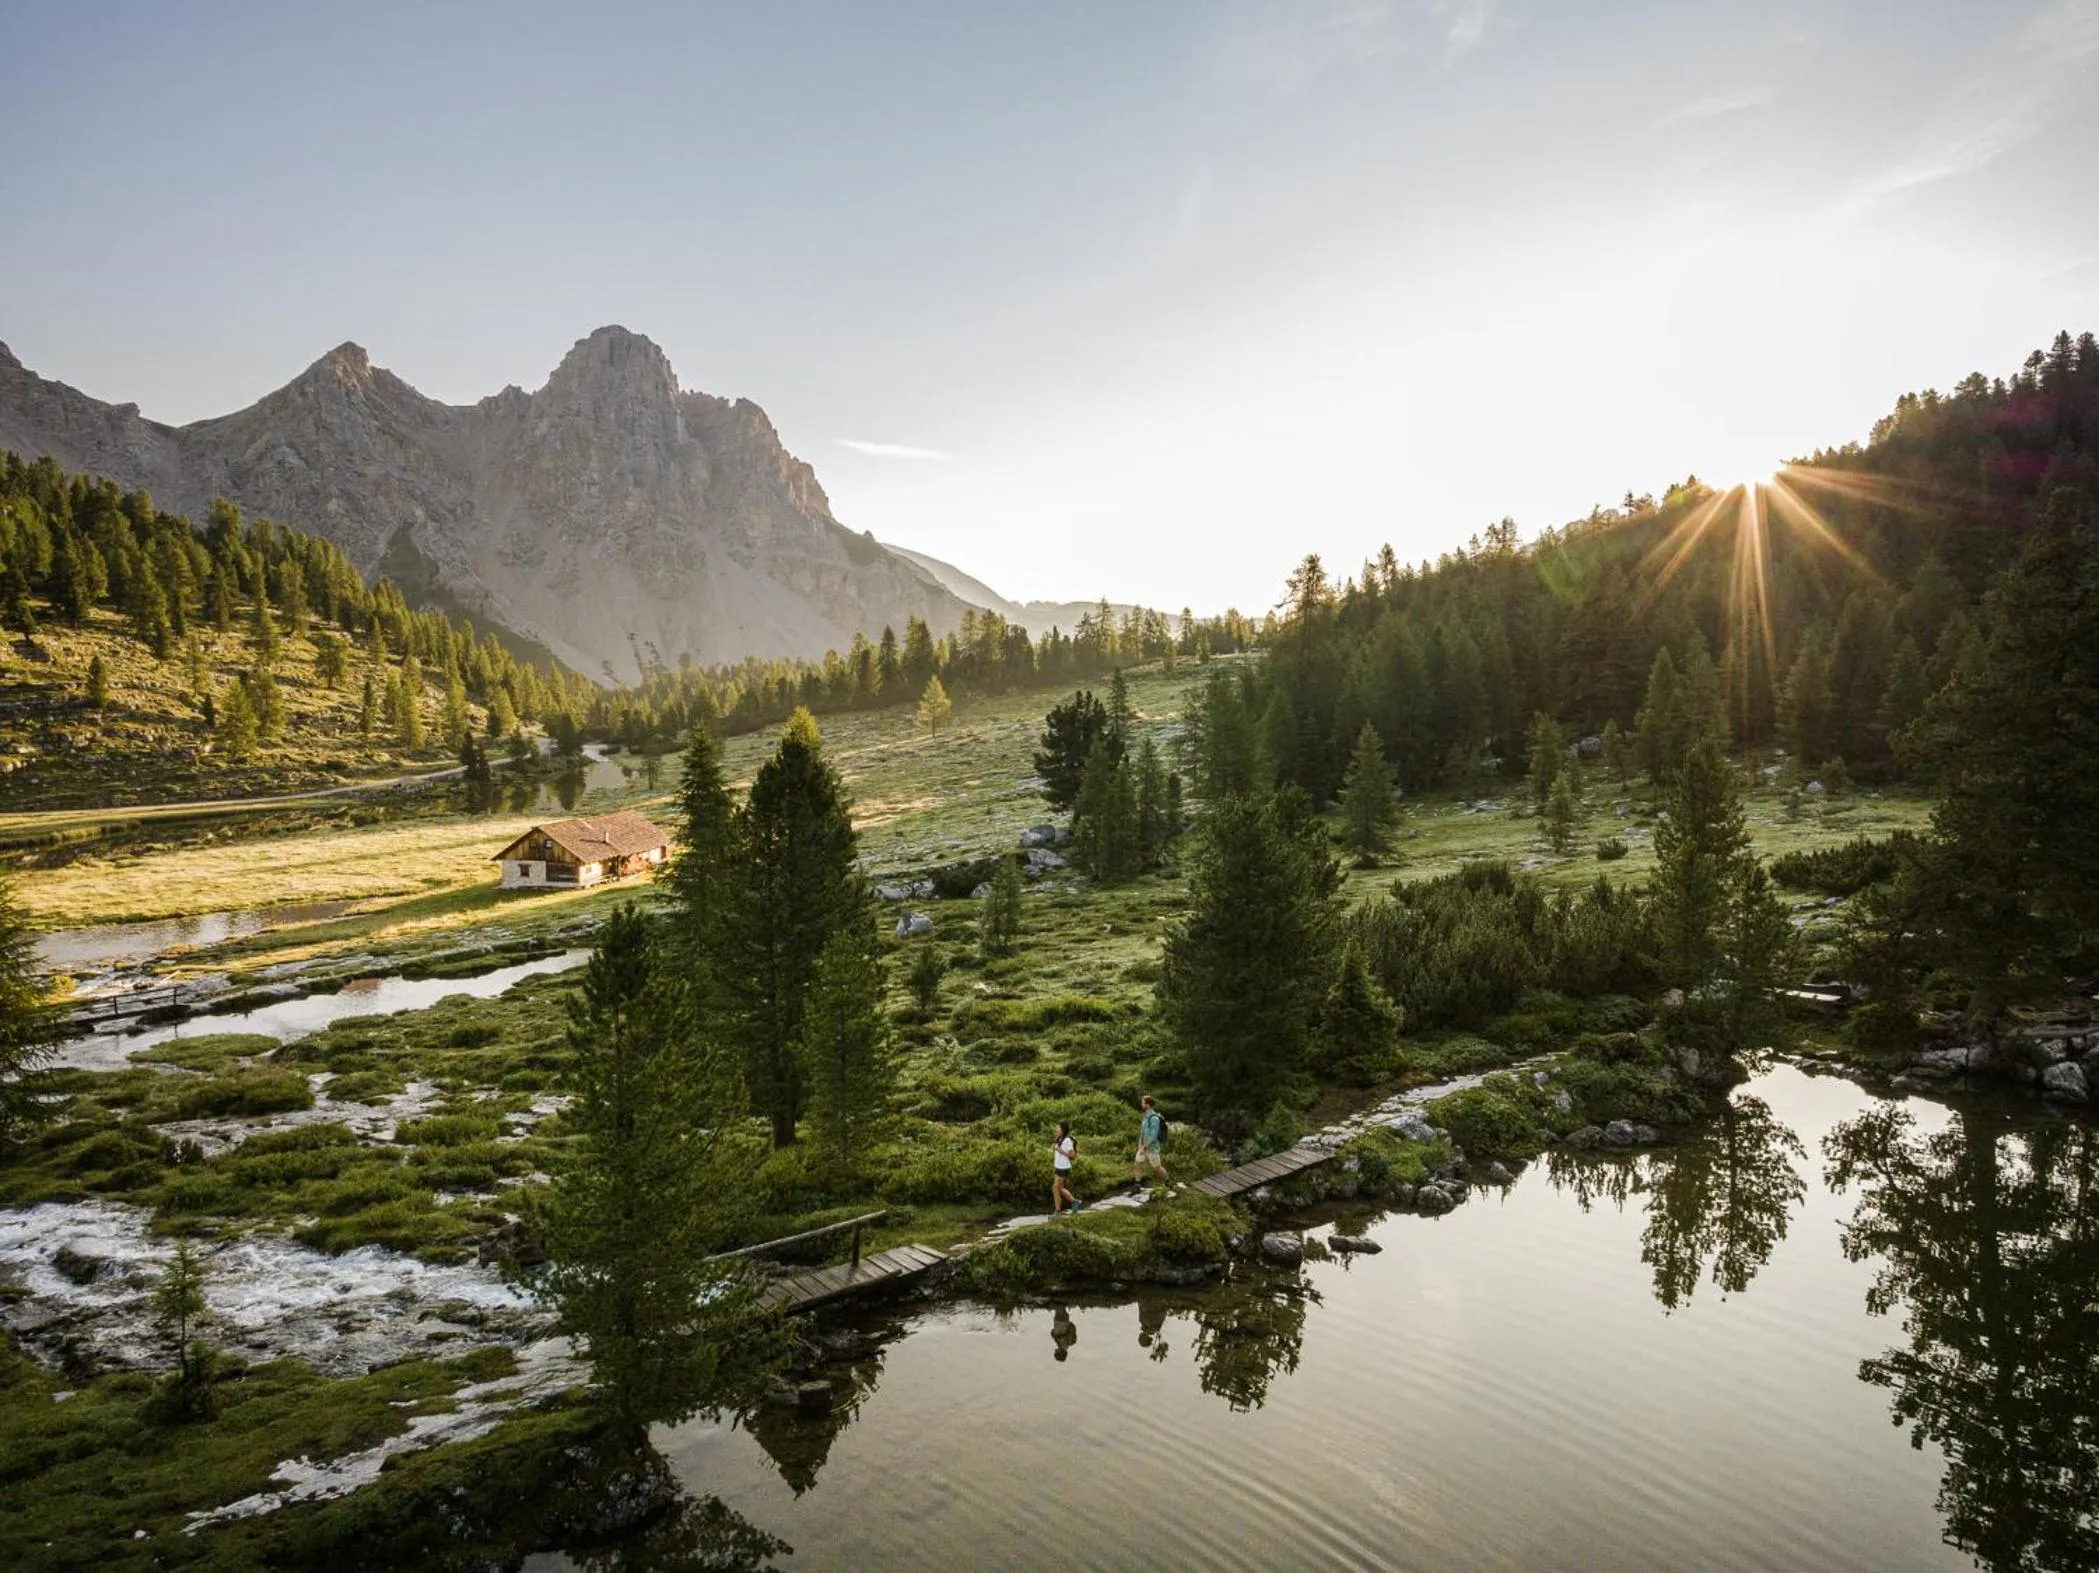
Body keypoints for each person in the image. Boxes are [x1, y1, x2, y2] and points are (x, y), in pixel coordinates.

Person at [1131, 1094, 1167, 1188]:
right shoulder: (1146, 1116)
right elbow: (1144, 1132)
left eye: (1142, 1103)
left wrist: (1145, 1146)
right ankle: (1137, 1185)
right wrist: (1141, 1146)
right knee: (1137, 1164)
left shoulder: (1154, 1118)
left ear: (1148, 1105)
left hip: (1151, 1148)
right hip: (1142, 1147)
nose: (1141, 1105)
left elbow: (1153, 1135)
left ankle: (1168, 1181)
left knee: (1157, 1168)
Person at [1051, 1121, 1079, 1214]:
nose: (1056, 1129)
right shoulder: (1059, 1138)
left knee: (1055, 1189)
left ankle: (1057, 1212)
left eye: (1058, 1128)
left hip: (1063, 1167)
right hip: (1058, 1167)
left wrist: (1060, 1151)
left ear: (1062, 1130)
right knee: (1060, 1188)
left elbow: (1073, 1156)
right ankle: (1075, 1202)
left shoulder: (1067, 1140)